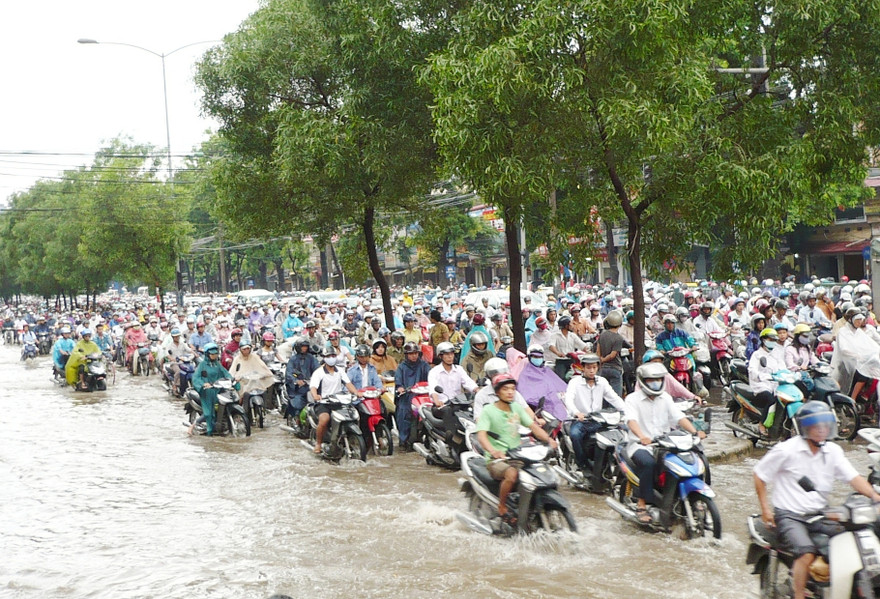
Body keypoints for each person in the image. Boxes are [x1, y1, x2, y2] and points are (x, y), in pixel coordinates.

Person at [753, 402, 880, 599]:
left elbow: (853, 478)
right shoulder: (786, 450)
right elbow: (759, 475)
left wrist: (874, 496)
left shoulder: (833, 451)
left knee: (851, 539)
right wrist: (766, 509)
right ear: (806, 427)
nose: (821, 430)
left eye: (825, 425)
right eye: (816, 426)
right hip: (790, 515)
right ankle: (798, 595)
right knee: (806, 553)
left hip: (819, 513)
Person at [623, 362, 706, 524]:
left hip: (666, 444)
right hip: (641, 445)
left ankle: (695, 497)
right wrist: (641, 436)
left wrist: (695, 432)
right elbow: (631, 421)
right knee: (648, 464)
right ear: (642, 381)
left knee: (695, 457)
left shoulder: (666, 398)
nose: (656, 383)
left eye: (659, 379)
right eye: (651, 380)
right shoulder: (632, 399)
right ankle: (642, 504)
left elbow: (679, 418)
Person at [476, 373, 558, 524]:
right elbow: (481, 435)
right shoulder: (489, 411)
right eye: (506, 389)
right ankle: (502, 506)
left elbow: (533, 427)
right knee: (512, 474)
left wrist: (549, 440)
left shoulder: (516, 408)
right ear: (497, 392)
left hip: (518, 455)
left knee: (542, 472)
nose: (510, 392)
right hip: (498, 459)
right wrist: (493, 451)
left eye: (513, 389)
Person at [563, 353, 626, 479]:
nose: (591, 370)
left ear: (598, 368)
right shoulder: (575, 382)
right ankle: (583, 465)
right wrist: (576, 412)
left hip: (598, 421)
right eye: (588, 367)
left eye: (594, 367)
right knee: (575, 435)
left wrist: (626, 411)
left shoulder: (602, 382)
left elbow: (614, 398)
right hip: (580, 421)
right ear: (583, 368)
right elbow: (568, 399)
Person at [309, 347, 362, 453]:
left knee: (353, 415)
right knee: (324, 419)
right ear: (324, 358)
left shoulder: (340, 371)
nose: (331, 358)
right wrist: (315, 395)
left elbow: (348, 384)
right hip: (324, 402)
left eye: (333, 356)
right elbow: (313, 387)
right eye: (328, 356)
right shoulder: (319, 372)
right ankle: (318, 443)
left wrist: (356, 393)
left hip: (339, 401)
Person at [429, 341, 478, 439]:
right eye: (446, 354)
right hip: (442, 406)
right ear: (440, 356)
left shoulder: (459, 369)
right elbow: (433, 388)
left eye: (451, 354)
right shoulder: (434, 372)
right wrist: (437, 401)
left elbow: (468, 383)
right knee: (447, 411)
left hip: (457, 403)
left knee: (470, 410)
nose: (450, 357)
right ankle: (450, 437)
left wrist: (478, 390)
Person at [189, 343, 236, 436]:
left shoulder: (217, 364)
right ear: (207, 354)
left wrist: (231, 379)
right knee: (208, 413)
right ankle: (194, 427)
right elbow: (196, 378)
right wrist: (203, 384)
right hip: (207, 392)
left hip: (218, 389)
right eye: (212, 354)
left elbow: (225, 373)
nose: (214, 356)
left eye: (215, 354)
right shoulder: (202, 365)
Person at [748, 328, 786, 435]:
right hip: (760, 386)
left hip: (775, 385)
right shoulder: (757, 355)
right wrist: (762, 376)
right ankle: (762, 424)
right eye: (770, 339)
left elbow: (783, 367)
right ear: (764, 340)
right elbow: (752, 370)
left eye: (775, 340)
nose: (773, 342)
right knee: (771, 399)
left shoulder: (776, 354)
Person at [394, 341, 431, 450]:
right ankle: (403, 440)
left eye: (415, 353)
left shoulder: (424, 365)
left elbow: (431, 377)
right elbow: (398, 381)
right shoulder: (401, 367)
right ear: (406, 355)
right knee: (404, 414)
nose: (414, 356)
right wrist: (400, 388)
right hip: (407, 397)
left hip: (422, 397)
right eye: (411, 354)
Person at [229, 341, 276, 415]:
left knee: (264, 389)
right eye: (244, 349)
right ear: (240, 350)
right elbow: (233, 371)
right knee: (241, 396)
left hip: (255, 381)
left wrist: (266, 373)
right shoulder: (237, 359)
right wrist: (235, 377)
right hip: (244, 382)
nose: (246, 351)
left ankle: (266, 407)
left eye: (248, 348)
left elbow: (262, 366)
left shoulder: (254, 357)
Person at [285, 336, 320, 419]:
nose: (304, 348)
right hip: (297, 389)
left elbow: (317, 368)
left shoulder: (311, 358)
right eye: (302, 346)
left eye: (306, 346)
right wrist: (297, 381)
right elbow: (289, 373)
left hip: (310, 385)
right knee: (298, 404)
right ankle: (297, 420)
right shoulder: (293, 359)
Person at [597, 310, 627, 396]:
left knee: (603, 395)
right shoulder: (618, 338)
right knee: (615, 396)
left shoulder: (602, 334)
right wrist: (604, 360)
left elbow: (598, 351)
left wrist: (600, 360)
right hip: (615, 368)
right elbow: (613, 355)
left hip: (603, 369)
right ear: (620, 324)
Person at [548, 315, 587, 380]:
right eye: (571, 323)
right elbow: (551, 346)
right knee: (561, 378)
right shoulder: (555, 335)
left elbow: (583, 346)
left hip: (572, 361)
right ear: (566, 326)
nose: (572, 325)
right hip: (561, 362)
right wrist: (558, 353)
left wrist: (589, 351)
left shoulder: (573, 335)